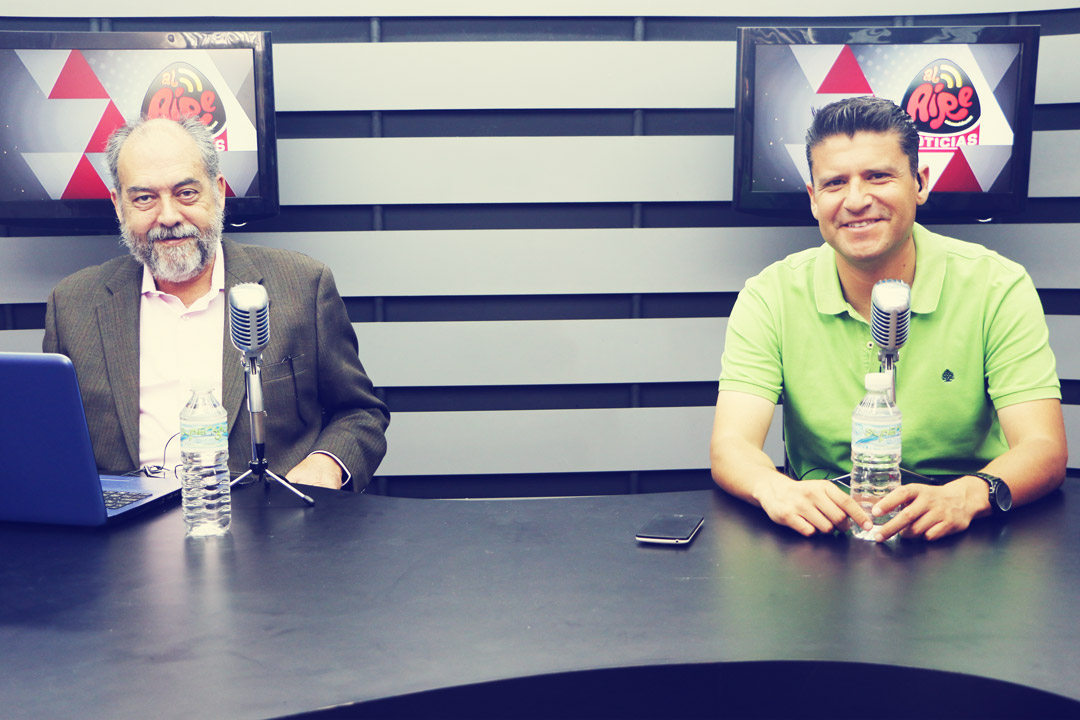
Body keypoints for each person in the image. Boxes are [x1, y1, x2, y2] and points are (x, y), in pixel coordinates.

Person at [710, 96, 1067, 542]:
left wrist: (968, 495)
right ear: (814, 200)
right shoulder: (769, 295)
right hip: (825, 534)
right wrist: (775, 489)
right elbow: (732, 446)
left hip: (965, 527)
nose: (856, 200)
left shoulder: (998, 285)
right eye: (835, 183)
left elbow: (1043, 448)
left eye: (878, 176)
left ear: (920, 183)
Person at [43, 116, 389, 491]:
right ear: (119, 205)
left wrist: (327, 463)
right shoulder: (73, 304)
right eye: (144, 198)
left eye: (186, 193)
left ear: (219, 191)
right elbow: (51, 439)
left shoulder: (303, 285)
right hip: (126, 524)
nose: (168, 217)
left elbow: (359, 412)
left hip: (271, 519)